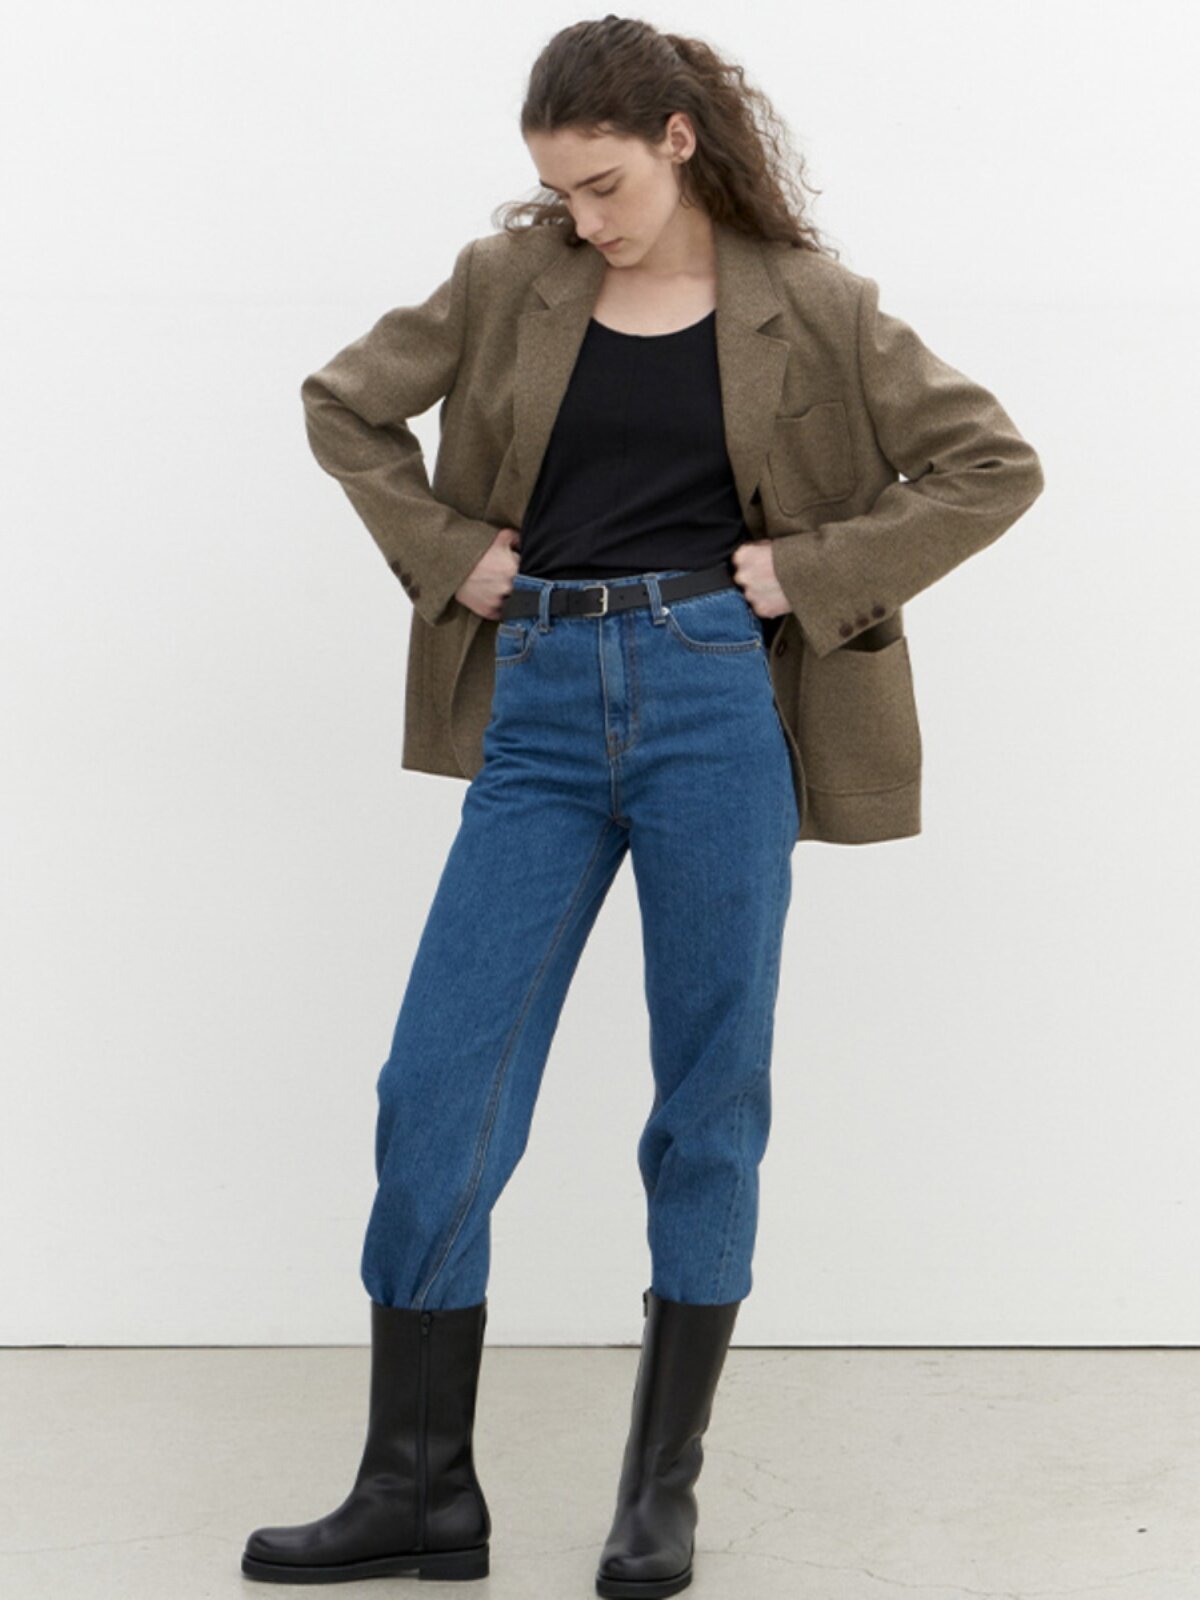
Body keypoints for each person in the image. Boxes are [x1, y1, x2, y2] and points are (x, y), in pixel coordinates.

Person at [242, 15, 1044, 1596]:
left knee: (708, 1090)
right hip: (537, 702)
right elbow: (344, 404)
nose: (583, 218)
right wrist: (447, 548)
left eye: (604, 185)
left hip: (714, 702)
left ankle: (656, 1495)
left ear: (679, 140)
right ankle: (419, 1489)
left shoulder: (814, 306)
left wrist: (808, 570)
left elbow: (990, 464)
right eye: (559, 190)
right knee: (437, 1083)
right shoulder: (508, 281)